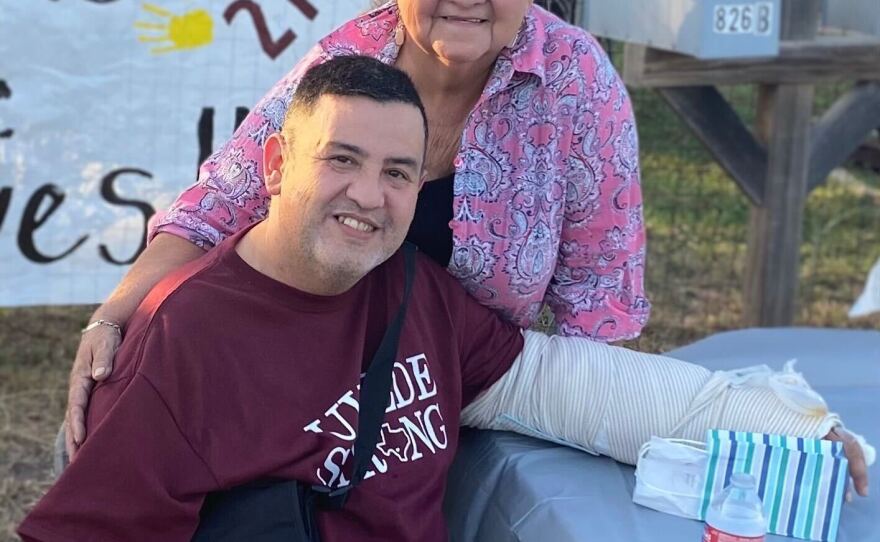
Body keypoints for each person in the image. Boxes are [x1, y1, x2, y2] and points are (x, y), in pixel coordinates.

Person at [22, 57, 868, 542]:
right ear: (276, 166)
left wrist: (785, 425)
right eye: (340, 160)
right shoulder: (183, 344)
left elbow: (564, 385)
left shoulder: (409, 286)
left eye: (398, 172)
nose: (368, 195)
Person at [65, 0, 651, 458]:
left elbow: (598, 297)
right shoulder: (348, 61)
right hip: (300, 364)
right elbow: (216, 207)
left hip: (470, 388)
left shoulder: (577, 81)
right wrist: (113, 317)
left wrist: (568, 424)